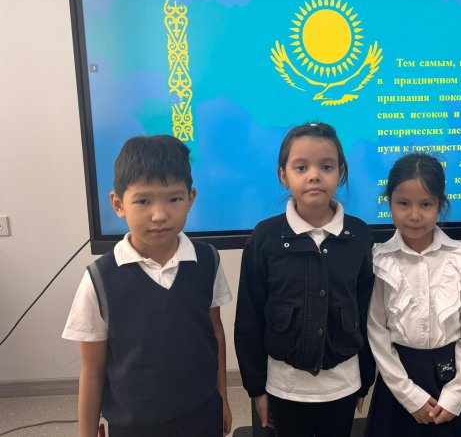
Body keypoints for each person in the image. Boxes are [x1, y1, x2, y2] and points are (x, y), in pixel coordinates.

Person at [63, 135, 233, 437]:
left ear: (191, 198)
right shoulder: (100, 279)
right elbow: (92, 370)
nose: (159, 215)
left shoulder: (207, 260)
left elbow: (214, 332)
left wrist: (223, 399)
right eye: (143, 201)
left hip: (202, 414)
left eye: (174, 199)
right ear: (118, 204)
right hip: (134, 426)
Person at [234, 122, 375, 437]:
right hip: (285, 388)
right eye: (301, 167)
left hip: (343, 386)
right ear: (283, 175)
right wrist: (256, 389)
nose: (314, 175)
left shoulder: (358, 235)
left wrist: (366, 379)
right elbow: (249, 320)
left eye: (326, 166)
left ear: (341, 172)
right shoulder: (265, 238)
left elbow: (368, 313)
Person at [366, 153, 461, 437]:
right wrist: (409, 395)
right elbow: (376, 331)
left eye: (426, 204)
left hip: (452, 378)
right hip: (399, 382)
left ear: (440, 205)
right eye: (403, 203)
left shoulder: (460, 258)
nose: (415, 215)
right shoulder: (380, 260)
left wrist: (457, 394)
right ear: (389, 203)